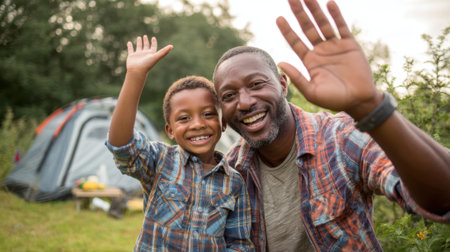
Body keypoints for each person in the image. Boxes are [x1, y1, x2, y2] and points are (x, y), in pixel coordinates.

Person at [212, 0, 450, 251]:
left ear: (283, 85)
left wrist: (370, 107)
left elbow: (443, 198)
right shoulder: (230, 172)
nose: (245, 102)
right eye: (229, 96)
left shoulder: (340, 138)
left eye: (257, 84)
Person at [106, 35, 254, 251]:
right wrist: (135, 76)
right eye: (184, 118)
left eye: (207, 114)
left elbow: (238, 243)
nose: (197, 124)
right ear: (170, 131)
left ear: (222, 123)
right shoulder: (159, 161)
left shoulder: (234, 183)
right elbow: (122, 147)